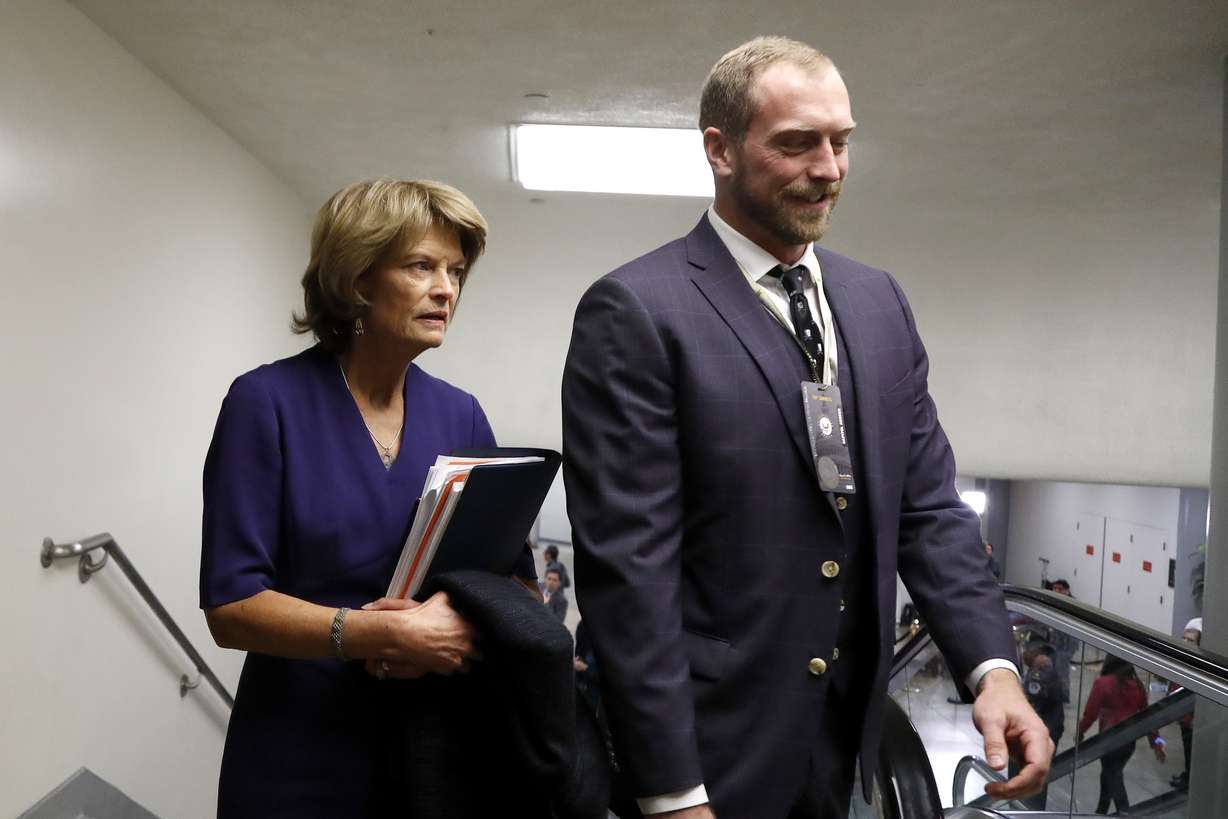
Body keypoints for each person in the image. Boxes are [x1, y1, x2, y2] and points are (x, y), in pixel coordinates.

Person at [561, 36, 1052, 819]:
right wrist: (671, 792)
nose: (828, 168)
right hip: (708, 752)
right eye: (796, 144)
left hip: (837, 747)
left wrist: (994, 669)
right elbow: (631, 573)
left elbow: (927, 506)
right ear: (720, 150)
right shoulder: (638, 312)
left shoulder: (878, 303)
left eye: (841, 141)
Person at [200, 179, 533, 817]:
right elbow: (231, 604)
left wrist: (458, 628)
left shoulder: (461, 415)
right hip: (295, 755)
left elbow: (517, 586)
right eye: (421, 266)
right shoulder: (265, 404)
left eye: (456, 271)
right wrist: (374, 636)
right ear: (357, 278)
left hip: (433, 753)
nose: (447, 289)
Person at [1077, 656, 1167, 815]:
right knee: (1109, 774)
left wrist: (1080, 732)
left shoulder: (1103, 683)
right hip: (1128, 743)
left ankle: (1124, 812)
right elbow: (1147, 716)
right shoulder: (1137, 685)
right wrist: (1157, 743)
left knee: (1113, 777)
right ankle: (1101, 811)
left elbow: (1090, 714)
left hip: (1108, 741)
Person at [1169, 617, 1202, 789]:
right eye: (1185, 638)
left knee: (1191, 750)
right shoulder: (1183, 658)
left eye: (1191, 640)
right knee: (1186, 748)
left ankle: (1189, 780)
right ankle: (1187, 775)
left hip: (1192, 718)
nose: (1186, 642)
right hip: (1183, 715)